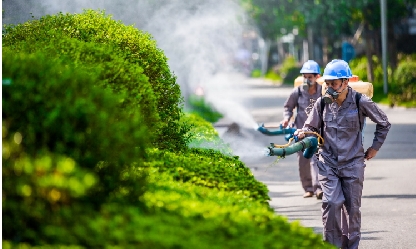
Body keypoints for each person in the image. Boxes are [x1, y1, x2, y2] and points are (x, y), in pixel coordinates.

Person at [294, 59, 391, 249]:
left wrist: (374, 148)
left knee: (352, 209)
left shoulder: (359, 101)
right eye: (327, 83)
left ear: (345, 82)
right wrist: (303, 132)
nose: (329, 87)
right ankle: (332, 246)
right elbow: (310, 126)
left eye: (334, 83)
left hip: (353, 163)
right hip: (328, 162)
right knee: (331, 202)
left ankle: (350, 247)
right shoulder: (322, 103)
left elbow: (384, 123)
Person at [281, 60, 323, 199]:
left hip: (316, 133)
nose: (307, 80)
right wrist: (287, 118)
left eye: (310, 77)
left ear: (317, 77)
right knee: (303, 161)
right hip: (299, 132)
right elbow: (288, 107)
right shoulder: (297, 92)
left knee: (318, 159)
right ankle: (308, 188)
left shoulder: (322, 92)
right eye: (305, 77)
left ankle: (319, 189)